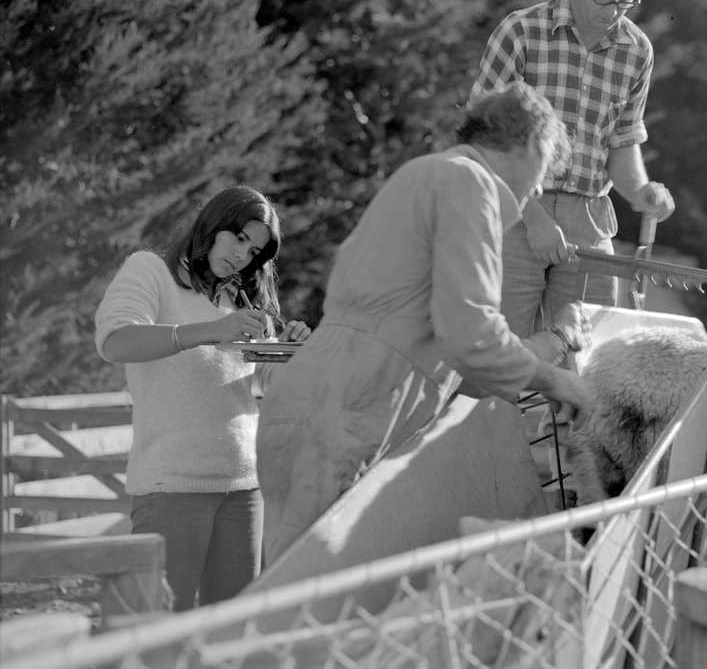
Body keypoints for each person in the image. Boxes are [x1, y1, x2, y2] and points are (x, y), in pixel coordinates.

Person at [256, 83, 596, 564]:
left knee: (300, 594)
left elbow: (469, 369)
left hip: (322, 409)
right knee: (308, 600)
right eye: (544, 174)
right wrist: (558, 381)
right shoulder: (469, 184)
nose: (539, 190)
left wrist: (557, 339)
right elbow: (473, 339)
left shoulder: (433, 177)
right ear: (531, 144)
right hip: (342, 421)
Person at [94, 185, 311, 611]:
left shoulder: (242, 301)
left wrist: (290, 352)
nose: (242, 255)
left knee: (229, 631)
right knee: (156, 628)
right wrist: (210, 332)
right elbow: (116, 341)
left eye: (254, 251)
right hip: (171, 487)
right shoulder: (150, 270)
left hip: (245, 489)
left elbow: (271, 382)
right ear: (213, 224)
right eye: (239, 237)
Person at [469, 0, 676, 338]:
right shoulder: (520, 32)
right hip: (514, 213)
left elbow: (622, 140)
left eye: (627, 1)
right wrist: (533, 218)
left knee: (587, 356)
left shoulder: (637, 51)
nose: (613, 12)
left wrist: (640, 191)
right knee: (499, 350)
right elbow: (482, 139)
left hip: (590, 220)